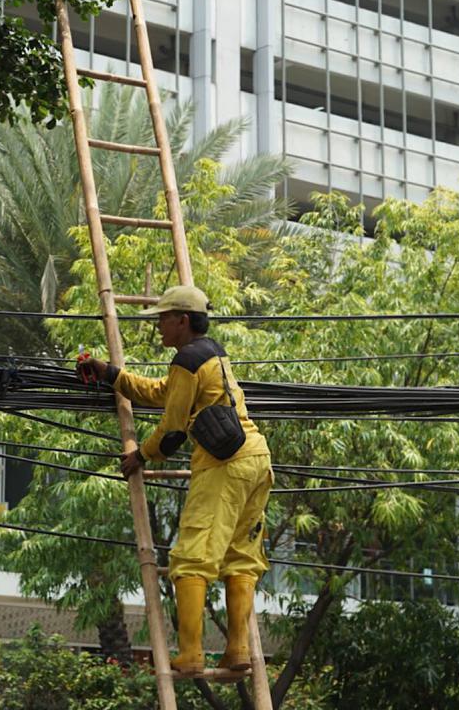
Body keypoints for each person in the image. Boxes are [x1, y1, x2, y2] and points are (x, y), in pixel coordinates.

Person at [77, 285, 272, 675]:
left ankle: (191, 656)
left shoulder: (187, 359)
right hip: (257, 461)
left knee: (189, 559)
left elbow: (172, 429)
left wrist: (140, 456)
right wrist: (111, 374)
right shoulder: (211, 354)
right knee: (241, 559)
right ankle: (237, 651)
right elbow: (162, 394)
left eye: (164, 319)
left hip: (225, 467)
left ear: (183, 320)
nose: (159, 327)